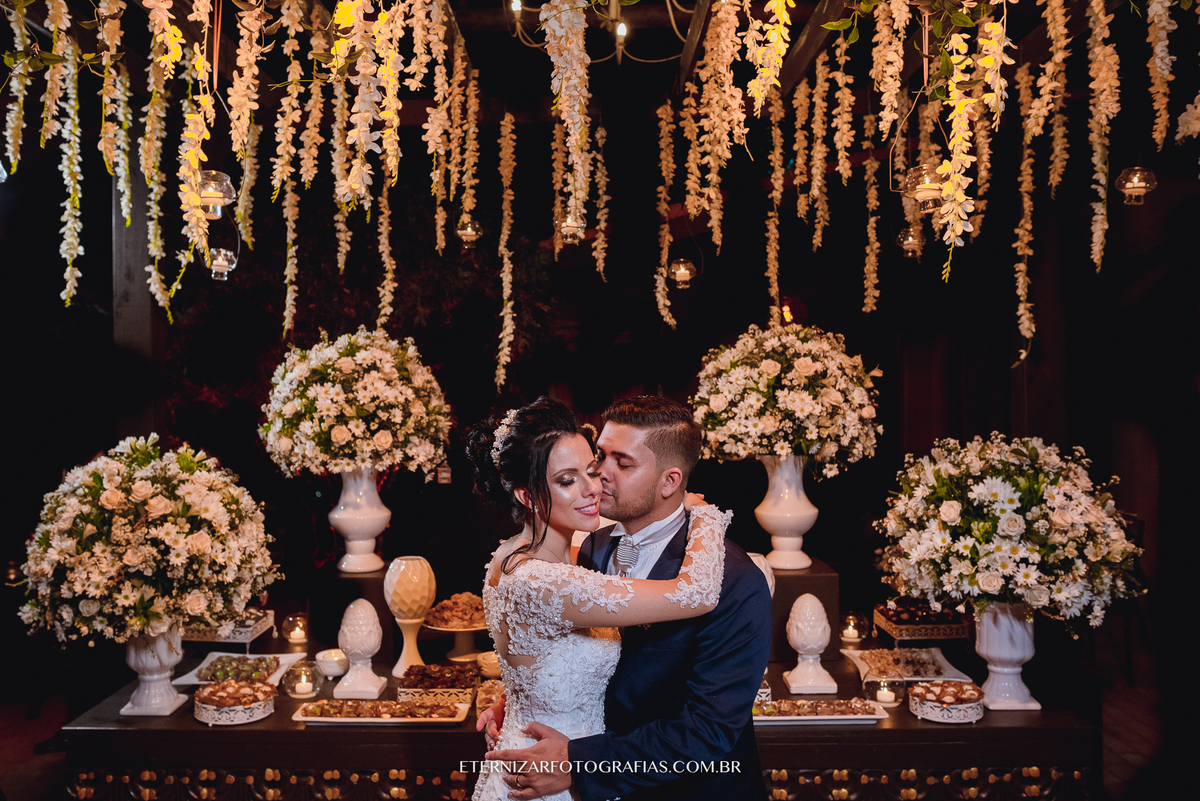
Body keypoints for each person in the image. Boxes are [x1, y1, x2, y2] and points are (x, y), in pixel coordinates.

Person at [483, 396, 773, 801]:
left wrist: (581, 763)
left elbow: (709, 731)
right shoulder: (590, 548)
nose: (600, 474)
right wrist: (522, 699)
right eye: (600, 456)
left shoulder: (735, 580)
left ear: (670, 482)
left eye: (623, 462)